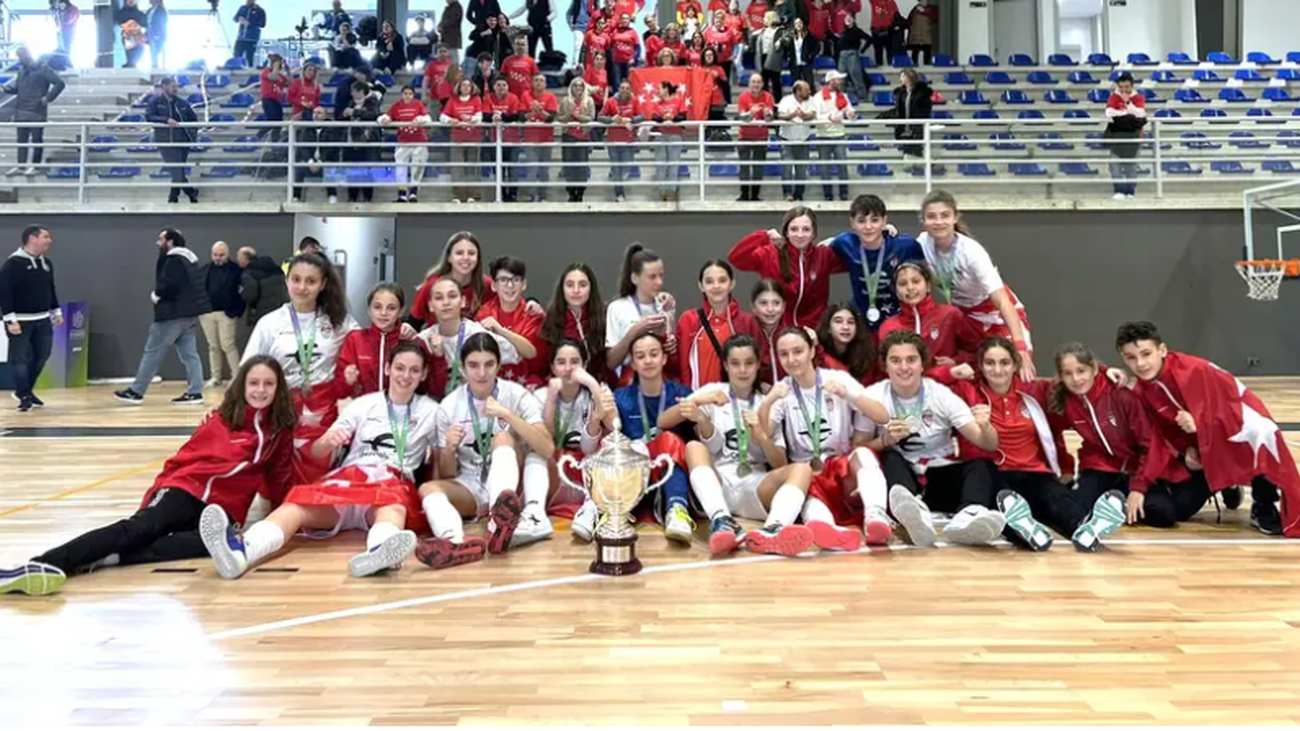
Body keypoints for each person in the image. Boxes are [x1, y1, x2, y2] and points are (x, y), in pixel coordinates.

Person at [1, 357, 295, 595]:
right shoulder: (219, 419)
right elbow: (182, 460)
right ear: (241, 386)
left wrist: (283, 516)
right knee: (140, 529)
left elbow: (278, 476)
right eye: (253, 383)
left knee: (216, 545)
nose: (260, 390)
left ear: (278, 388)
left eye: (268, 384)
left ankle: (113, 556)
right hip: (185, 489)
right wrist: (155, 497)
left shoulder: (280, 430)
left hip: (223, 511)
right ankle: (42, 564)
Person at [202, 343, 439, 580]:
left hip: (391, 481)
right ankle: (242, 551)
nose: (405, 376)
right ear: (387, 368)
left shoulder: (432, 411)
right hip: (350, 479)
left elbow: (440, 464)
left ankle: (379, 552)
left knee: (393, 508)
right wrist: (328, 441)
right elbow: (317, 451)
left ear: (424, 374)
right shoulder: (364, 404)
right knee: (295, 507)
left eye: (414, 370)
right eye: (400, 368)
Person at [938, 337, 1125, 552]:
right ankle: (1027, 531)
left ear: (1016, 364)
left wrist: (1103, 370)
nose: (997, 370)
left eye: (1005, 362)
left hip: (1035, 472)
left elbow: (1073, 377)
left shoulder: (1034, 389)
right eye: (990, 363)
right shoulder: (966, 391)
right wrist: (950, 372)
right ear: (980, 365)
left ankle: (1085, 528)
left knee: (1057, 499)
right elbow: (924, 382)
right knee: (1002, 506)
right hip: (995, 473)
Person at [1116, 321, 1297, 537]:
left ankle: (1263, 503)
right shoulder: (1142, 392)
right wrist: (1183, 455)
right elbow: (1159, 436)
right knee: (1177, 511)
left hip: (1230, 435)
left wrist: (1202, 425)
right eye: (1131, 358)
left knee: (1261, 433)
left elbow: (1236, 410)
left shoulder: (1196, 370)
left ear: (1162, 350)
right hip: (1199, 458)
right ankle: (1225, 484)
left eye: (1146, 354)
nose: (1141, 363)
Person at [415, 333, 550, 568]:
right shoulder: (449, 405)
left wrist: (508, 415)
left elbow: (547, 448)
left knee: (503, 437)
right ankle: (453, 540)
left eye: (489, 364)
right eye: (473, 365)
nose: (482, 373)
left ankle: (499, 522)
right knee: (428, 488)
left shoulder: (516, 394)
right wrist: (448, 448)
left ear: (499, 365)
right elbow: (446, 474)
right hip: (472, 483)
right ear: (463, 367)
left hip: (511, 487)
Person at [857, 329, 1003, 547]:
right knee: (888, 457)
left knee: (983, 466)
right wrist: (884, 440)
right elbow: (857, 447)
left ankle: (968, 517)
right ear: (885, 365)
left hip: (938, 475)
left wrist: (986, 426)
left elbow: (987, 444)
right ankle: (915, 515)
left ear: (922, 364)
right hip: (900, 479)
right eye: (895, 360)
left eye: (911, 360)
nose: (904, 367)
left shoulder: (941, 395)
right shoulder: (873, 396)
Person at [1049, 341, 1210, 536]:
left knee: (1164, 515)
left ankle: (1117, 506)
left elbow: (1148, 445)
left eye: (1081, 371)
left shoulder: (1121, 394)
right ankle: (1110, 508)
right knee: (1076, 507)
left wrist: (1138, 488)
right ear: (1061, 376)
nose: (1075, 379)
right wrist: (1066, 466)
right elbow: (1053, 432)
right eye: (1068, 373)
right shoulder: (1064, 399)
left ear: (1093, 369)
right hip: (1099, 468)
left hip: (1135, 469)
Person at [681, 334, 816, 556]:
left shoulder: (769, 402)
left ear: (757, 365)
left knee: (802, 469)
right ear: (725, 365)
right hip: (719, 483)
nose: (742, 370)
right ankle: (722, 520)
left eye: (749, 363)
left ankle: (773, 529)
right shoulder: (714, 392)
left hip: (756, 485)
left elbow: (780, 463)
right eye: (735, 363)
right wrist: (698, 400)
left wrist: (762, 435)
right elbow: (664, 420)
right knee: (694, 447)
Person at [757, 327, 890, 548]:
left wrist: (849, 394)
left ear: (811, 351)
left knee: (865, 455)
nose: (791, 359)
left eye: (798, 351)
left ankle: (875, 516)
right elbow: (765, 433)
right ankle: (826, 531)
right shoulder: (783, 390)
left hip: (840, 469)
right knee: (810, 499)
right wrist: (768, 400)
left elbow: (882, 416)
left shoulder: (836, 378)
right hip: (809, 474)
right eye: (784, 354)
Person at [242, 252, 360, 484]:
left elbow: (370, 341)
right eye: (296, 279)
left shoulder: (338, 321)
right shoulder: (270, 323)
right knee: (279, 483)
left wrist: (404, 332)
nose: (302, 287)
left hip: (322, 413)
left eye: (311, 281)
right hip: (280, 410)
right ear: (287, 280)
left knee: (317, 484)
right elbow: (247, 370)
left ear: (323, 284)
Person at [918, 190, 1035, 379]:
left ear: (955, 217)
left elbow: (1003, 302)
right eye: (931, 217)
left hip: (995, 313)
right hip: (964, 316)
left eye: (945, 215)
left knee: (1014, 369)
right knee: (965, 373)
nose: (938, 222)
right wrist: (888, 230)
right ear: (923, 220)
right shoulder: (923, 244)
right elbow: (895, 246)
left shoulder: (971, 252)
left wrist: (1020, 346)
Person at [610, 332, 697, 542]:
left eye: (654, 354)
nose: (648, 361)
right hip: (635, 478)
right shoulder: (620, 397)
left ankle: (677, 511)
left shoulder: (682, 393)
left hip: (672, 477)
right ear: (633, 363)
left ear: (664, 358)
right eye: (640, 356)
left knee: (670, 440)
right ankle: (615, 512)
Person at [114, 228, 211, 405]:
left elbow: (169, 285)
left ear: (171, 242)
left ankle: (136, 391)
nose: (157, 243)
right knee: (190, 355)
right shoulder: (190, 260)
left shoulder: (173, 260)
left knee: (152, 352)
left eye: (161, 239)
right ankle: (195, 392)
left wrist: (157, 295)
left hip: (171, 315)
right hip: (189, 316)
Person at [531, 338, 612, 539]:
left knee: (610, 448)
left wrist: (592, 384)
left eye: (575, 362)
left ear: (584, 365)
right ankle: (534, 514)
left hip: (588, 464)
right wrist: (551, 399)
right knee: (535, 455)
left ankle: (590, 509)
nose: (568, 369)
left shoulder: (596, 389)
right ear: (552, 367)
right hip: (557, 468)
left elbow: (615, 427)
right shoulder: (540, 395)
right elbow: (546, 442)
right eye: (561, 362)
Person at [728, 205, 841, 329]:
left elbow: (855, 259)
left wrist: (839, 242)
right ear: (786, 232)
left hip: (815, 333)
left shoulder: (824, 255)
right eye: (794, 229)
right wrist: (764, 236)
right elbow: (736, 258)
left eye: (806, 229)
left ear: (814, 233)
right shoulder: (771, 254)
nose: (800, 235)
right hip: (779, 332)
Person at [826, 194, 923, 333]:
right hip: (861, 322)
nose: (868, 226)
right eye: (861, 221)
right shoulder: (845, 243)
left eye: (875, 220)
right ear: (852, 223)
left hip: (898, 321)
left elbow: (931, 259)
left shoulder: (903, 244)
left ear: (884, 221)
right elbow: (818, 252)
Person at [419, 278, 522, 397]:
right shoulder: (423, 340)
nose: (446, 302)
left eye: (452, 296)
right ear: (431, 306)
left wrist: (502, 331)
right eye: (439, 298)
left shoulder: (478, 333)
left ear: (463, 301)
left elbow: (518, 352)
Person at [1, 225, 62, 412]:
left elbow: (50, 289)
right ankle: (25, 396)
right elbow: (4, 292)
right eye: (46, 236)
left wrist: (55, 311)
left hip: (43, 318)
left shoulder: (46, 263)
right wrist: (10, 319)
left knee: (42, 355)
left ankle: (24, 390)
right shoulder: (13, 264)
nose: (49, 241)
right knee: (20, 360)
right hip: (20, 320)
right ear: (32, 239)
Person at [676, 259, 761, 390]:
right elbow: (679, 365)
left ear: (732, 284)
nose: (716, 286)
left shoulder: (747, 321)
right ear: (701, 286)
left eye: (722, 280)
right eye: (709, 281)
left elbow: (757, 363)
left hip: (735, 403)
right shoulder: (688, 320)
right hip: (697, 402)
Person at [878, 261, 981, 367]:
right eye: (903, 284)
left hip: (945, 382)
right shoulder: (888, 328)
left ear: (928, 286)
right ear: (896, 292)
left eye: (916, 281)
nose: (910, 287)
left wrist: (956, 361)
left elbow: (976, 352)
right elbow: (884, 366)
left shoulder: (950, 315)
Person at [336, 283, 424, 399]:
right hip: (363, 412)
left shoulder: (411, 342)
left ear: (401, 311)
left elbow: (426, 387)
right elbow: (339, 390)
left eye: (391, 308)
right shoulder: (355, 340)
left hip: (401, 411)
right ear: (369, 310)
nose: (383, 313)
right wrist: (347, 381)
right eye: (377, 307)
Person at [606, 243, 678, 381]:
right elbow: (611, 362)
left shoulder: (665, 304)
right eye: (652, 277)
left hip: (662, 382)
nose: (659, 282)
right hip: (630, 382)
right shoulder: (617, 308)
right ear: (635, 278)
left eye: (661, 275)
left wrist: (671, 345)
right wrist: (635, 331)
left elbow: (671, 358)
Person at [475, 256, 546, 386]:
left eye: (516, 280)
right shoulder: (484, 313)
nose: (510, 285)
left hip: (528, 383)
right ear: (494, 286)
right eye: (503, 280)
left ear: (524, 284)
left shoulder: (532, 314)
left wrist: (500, 330)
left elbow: (530, 352)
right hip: (492, 383)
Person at [541, 262, 610, 384]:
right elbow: (544, 367)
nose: (576, 290)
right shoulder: (550, 320)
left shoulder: (606, 315)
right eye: (570, 285)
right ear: (562, 289)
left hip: (602, 386)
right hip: (564, 389)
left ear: (591, 288)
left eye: (582, 285)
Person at [2, 47, 64, 179]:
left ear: (27, 55)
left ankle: (36, 166)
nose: (19, 59)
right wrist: (6, 88)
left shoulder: (43, 68)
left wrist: (47, 98)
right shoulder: (21, 71)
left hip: (37, 111)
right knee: (21, 140)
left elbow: (59, 83)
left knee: (37, 139)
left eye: (20, 56)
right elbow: (17, 89)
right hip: (21, 110)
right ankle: (21, 166)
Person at [410, 232, 495, 328]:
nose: (466, 258)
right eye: (459, 253)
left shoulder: (487, 285)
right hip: (437, 340)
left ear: (478, 258)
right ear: (449, 257)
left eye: (471, 253)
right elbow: (414, 323)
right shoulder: (433, 285)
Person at [145, 76, 199, 204]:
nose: (176, 89)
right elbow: (149, 116)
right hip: (165, 141)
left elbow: (193, 119)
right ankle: (189, 192)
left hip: (182, 142)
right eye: (173, 86)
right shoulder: (155, 102)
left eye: (176, 86)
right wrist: (165, 120)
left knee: (178, 170)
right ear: (164, 87)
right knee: (176, 170)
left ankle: (175, 197)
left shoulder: (182, 103)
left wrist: (191, 135)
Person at [199, 242, 244, 387]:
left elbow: (244, 292)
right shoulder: (205, 269)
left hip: (227, 313)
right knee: (213, 346)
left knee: (228, 345)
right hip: (207, 313)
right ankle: (215, 377)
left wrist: (236, 311)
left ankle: (237, 377)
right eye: (215, 255)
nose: (218, 258)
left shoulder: (236, 270)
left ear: (228, 254)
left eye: (221, 255)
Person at [380, 85, 432, 203]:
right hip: (403, 141)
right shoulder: (396, 106)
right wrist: (385, 119)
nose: (407, 96)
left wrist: (420, 120)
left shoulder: (418, 104)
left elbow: (427, 118)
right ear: (402, 95)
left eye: (410, 93)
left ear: (413, 95)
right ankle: (402, 195)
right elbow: (386, 117)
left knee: (417, 168)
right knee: (400, 169)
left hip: (419, 141)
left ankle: (413, 193)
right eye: (405, 93)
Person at [441, 77, 484, 203]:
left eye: (468, 85)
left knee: (472, 167)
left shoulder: (476, 99)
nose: (466, 87)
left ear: (472, 88)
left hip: (473, 138)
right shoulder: (452, 100)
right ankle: (458, 195)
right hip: (457, 138)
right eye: (463, 85)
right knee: (457, 167)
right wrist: (450, 120)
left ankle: (472, 195)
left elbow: (479, 116)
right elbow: (443, 116)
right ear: (459, 87)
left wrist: (470, 118)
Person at [1105, 71, 1146, 201]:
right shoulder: (1113, 97)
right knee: (1114, 164)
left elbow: (1140, 114)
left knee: (1130, 166)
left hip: (1133, 136)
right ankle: (1119, 190)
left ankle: (1130, 191)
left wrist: (1127, 104)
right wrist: (1128, 115)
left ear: (1132, 86)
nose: (1124, 90)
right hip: (1116, 136)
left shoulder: (1138, 98)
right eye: (1121, 87)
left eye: (1127, 87)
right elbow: (1109, 113)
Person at [814, 69, 854, 202]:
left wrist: (851, 114)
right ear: (831, 81)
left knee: (842, 165)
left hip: (839, 134)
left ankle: (844, 193)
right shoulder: (818, 97)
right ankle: (828, 194)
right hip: (823, 136)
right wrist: (829, 118)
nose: (840, 81)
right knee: (825, 168)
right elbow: (815, 116)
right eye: (838, 79)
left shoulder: (843, 96)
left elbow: (850, 110)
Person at [643, 80, 687, 202]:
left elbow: (684, 116)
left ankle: (671, 192)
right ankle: (663, 193)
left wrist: (673, 117)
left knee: (673, 165)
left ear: (666, 89)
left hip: (675, 135)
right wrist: (663, 118)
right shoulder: (657, 104)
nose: (657, 91)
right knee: (660, 165)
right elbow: (654, 117)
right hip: (660, 136)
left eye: (659, 88)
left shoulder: (678, 101)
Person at [598, 79, 640, 202]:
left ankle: (618, 181)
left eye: (627, 88)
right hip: (613, 141)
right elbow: (600, 117)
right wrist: (612, 119)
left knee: (626, 166)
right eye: (622, 88)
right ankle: (619, 193)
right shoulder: (611, 101)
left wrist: (631, 120)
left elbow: (642, 116)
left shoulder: (635, 101)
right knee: (616, 168)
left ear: (631, 90)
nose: (624, 90)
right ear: (618, 89)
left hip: (629, 140)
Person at [735, 73, 775, 202]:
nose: (756, 85)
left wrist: (767, 115)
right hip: (744, 136)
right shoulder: (742, 97)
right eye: (753, 82)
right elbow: (742, 118)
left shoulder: (768, 97)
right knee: (744, 167)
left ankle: (755, 195)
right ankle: (744, 194)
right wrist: (751, 113)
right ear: (749, 84)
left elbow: (770, 120)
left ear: (762, 84)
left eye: (758, 82)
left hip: (761, 137)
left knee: (758, 167)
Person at [341, 80, 382, 203]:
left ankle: (367, 196)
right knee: (352, 169)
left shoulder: (372, 102)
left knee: (367, 169)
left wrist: (355, 112)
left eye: (354, 91)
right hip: (351, 140)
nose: (352, 93)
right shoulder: (350, 103)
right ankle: (352, 196)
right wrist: (345, 115)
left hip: (368, 141)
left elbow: (374, 115)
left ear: (361, 91)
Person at [521, 73, 560, 201]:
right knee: (532, 168)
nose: (539, 83)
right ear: (532, 83)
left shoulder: (551, 97)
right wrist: (532, 112)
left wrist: (540, 111)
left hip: (546, 139)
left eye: (541, 81)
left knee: (544, 170)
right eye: (536, 80)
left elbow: (551, 118)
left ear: (545, 84)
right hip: (530, 139)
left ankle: (543, 195)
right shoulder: (525, 96)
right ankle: (531, 195)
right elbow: (521, 116)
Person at [483, 76, 523, 202]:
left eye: (504, 85)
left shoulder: (514, 98)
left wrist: (500, 116)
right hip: (495, 140)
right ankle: (500, 194)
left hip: (512, 140)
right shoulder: (488, 98)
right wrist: (493, 117)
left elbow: (515, 116)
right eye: (498, 85)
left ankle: (512, 195)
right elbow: (485, 115)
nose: (501, 88)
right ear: (494, 87)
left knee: (513, 170)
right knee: (498, 169)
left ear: (508, 87)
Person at [776, 80, 817, 201]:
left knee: (801, 169)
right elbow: (780, 115)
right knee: (787, 168)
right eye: (806, 90)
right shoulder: (786, 100)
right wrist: (792, 115)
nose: (809, 92)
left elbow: (812, 114)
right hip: (786, 140)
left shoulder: (811, 100)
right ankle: (787, 193)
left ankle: (799, 194)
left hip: (803, 139)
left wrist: (803, 115)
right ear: (798, 91)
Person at [815, 304, 877, 383]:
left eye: (851, 322)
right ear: (828, 328)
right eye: (838, 321)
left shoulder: (867, 352)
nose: (845, 327)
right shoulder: (818, 352)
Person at [557, 77, 595, 202]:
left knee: (582, 166)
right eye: (575, 85)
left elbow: (591, 118)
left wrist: (578, 116)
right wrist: (569, 114)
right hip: (568, 136)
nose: (578, 88)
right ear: (571, 88)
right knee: (569, 165)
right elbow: (560, 118)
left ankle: (580, 192)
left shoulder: (589, 101)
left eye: (580, 86)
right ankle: (571, 192)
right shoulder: (565, 101)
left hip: (583, 137)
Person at [892, 67, 932, 168]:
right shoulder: (901, 93)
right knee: (907, 159)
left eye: (902, 76)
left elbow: (926, 109)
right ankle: (926, 164)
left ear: (909, 77)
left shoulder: (921, 92)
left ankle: (926, 166)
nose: (900, 78)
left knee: (915, 153)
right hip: (904, 129)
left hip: (916, 128)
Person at [237, 246, 288, 324]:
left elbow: (251, 293)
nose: (237, 260)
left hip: (262, 310)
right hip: (281, 308)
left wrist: (241, 292)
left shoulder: (248, 273)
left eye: (239, 257)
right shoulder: (275, 268)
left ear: (245, 258)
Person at [750, 279, 786, 387]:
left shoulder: (793, 336)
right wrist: (756, 385)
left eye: (776, 303)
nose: (770, 309)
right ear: (753, 307)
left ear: (783, 306)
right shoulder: (745, 335)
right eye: (763, 303)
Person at [834, 13, 870, 101]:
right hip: (842, 56)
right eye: (846, 18)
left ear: (853, 20)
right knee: (841, 79)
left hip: (852, 55)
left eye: (850, 17)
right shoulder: (843, 32)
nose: (848, 19)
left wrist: (862, 50)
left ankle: (863, 98)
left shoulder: (857, 31)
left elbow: (869, 39)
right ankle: (840, 99)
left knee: (856, 77)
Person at [258, 54, 289, 143]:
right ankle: (258, 136)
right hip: (268, 99)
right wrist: (275, 67)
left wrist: (288, 71)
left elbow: (290, 83)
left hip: (277, 100)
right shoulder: (266, 71)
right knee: (272, 119)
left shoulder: (281, 76)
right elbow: (273, 77)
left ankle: (274, 141)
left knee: (279, 122)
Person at [609, 13, 640, 90]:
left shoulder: (633, 32)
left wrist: (634, 58)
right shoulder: (615, 31)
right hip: (617, 61)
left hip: (629, 61)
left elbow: (638, 48)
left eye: (626, 18)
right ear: (620, 20)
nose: (625, 20)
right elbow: (610, 45)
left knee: (629, 81)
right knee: (617, 81)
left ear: (629, 21)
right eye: (623, 18)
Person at [232, 0, 267, 68]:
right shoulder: (242, 8)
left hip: (252, 38)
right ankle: (236, 69)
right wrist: (239, 19)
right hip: (241, 37)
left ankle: (250, 72)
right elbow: (235, 18)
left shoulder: (260, 10)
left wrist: (250, 23)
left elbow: (263, 24)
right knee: (237, 54)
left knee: (249, 56)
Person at [114, 0, 148, 69]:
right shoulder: (122, 13)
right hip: (129, 38)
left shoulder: (139, 14)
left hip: (135, 39)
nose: (131, 1)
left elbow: (145, 23)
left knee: (133, 58)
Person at [868, 0, 899, 66]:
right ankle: (879, 68)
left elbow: (896, 16)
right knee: (878, 52)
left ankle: (891, 68)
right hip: (876, 30)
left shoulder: (892, 3)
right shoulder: (875, 1)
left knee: (890, 52)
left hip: (888, 30)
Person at [906, 0, 936, 65]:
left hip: (926, 35)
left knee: (927, 52)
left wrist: (923, 12)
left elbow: (934, 18)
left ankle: (927, 67)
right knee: (915, 52)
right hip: (916, 35)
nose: (924, 2)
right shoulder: (915, 9)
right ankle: (914, 66)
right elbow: (908, 21)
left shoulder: (931, 9)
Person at [146, 0, 167, 69]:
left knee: (156, 50)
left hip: (158, 34)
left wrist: (158, 34)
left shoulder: (161, 10)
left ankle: (156, 66)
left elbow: (161, 23)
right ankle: (154, 65)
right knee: (152, 50)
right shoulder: (150, 10)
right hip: (150, 33)